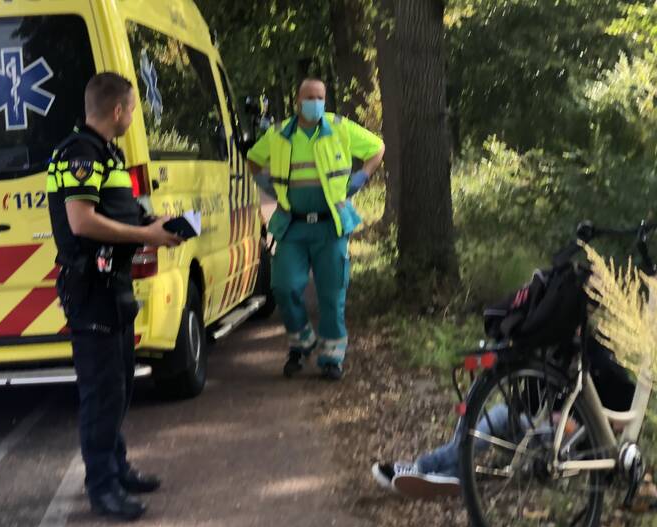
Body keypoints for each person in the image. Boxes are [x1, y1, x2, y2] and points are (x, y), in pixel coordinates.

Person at [46, 72, 182, 521]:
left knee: (120, 383)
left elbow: (119, 208)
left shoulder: (107, 153)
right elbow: (82, 222)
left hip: (113, 284)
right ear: (118, 111)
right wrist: (145, 233)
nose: (134, 116)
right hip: (91, 287)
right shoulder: (78, 155)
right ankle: (101, 486)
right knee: (101, 392)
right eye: (133, 109)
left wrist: (155, 221)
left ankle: (116, 466)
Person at [247, 78, 385, 380]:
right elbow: (254, 159)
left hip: (330, 225)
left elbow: (377, 147)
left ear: (325, 99)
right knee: (283, 287)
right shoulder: (280, 134)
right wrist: (265, 185)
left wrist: (362, 176)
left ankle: (332, 357)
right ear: (298, 101)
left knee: (332, 294)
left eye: (320, 97)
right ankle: (303, 341)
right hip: (293, 224)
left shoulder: (339, 128)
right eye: (309, 97)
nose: (315, 103)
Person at [372, 343, 636, 498]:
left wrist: (585, 425)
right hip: (539, 433)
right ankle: (426, 468)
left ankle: (441, 476)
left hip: (569, 445)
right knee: (499, 414)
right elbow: (528, 406)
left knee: (546, 429)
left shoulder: (599, 355)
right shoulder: (551, 353)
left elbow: (627, 403)